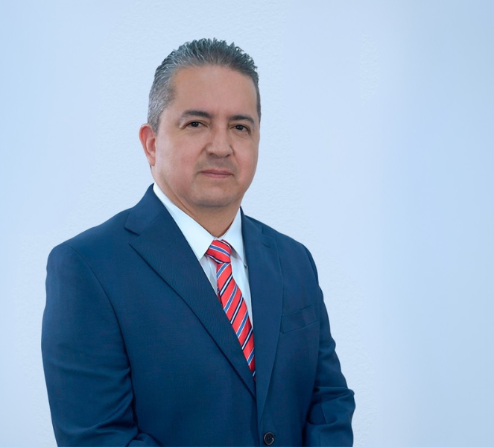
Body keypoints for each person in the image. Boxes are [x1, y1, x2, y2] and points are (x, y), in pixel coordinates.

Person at [42, 38, 355, 446]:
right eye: (196, 124)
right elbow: (100, 437)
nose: (221, 147)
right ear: (152, 143)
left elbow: (328, 401)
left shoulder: (294, 260)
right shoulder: (87, 267)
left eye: (240, 127)